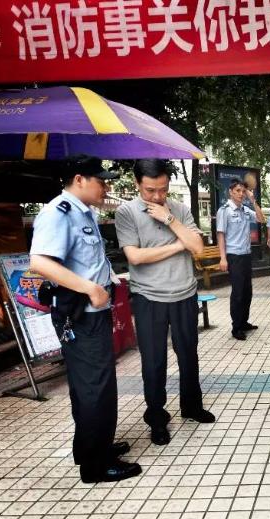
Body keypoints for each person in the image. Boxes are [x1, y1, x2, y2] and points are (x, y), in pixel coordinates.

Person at [29, 155, 140, 484]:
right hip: (81, 315)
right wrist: (90, 288)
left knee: (87, 386)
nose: (105, 187)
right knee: (96, 388)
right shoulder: (58, 212)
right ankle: (97, 465)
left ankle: (91, 447)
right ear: (79, 179)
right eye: (100, 181)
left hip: (91, 312)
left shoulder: (83, 212)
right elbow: (40, 263)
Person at [114, 159, 215, 447]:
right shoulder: (126, 212)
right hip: (149, 297)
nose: (158, 196)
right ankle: (157, 417)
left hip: (184, 293)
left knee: (189, 355)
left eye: (163, 189)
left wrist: (169, 219)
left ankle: (191, 406)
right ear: (137, 184)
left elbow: (198, 247)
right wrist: (179, 243)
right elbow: (135, 257)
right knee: (154, 361)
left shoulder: (179, 209)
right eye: (150, 190)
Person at [216, 178, 258, 341]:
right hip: (234, 256)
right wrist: (223, 258)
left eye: (243, 191)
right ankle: (236, 327)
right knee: (238, 293)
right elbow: (221, 234)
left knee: (247, 291)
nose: (241, 194)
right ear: (230, 192)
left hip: (246, 255)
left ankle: (244, 322)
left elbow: (261, 219)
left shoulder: (246, 210)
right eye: (237, 191)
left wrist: (253, 201)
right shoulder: (224, 211)